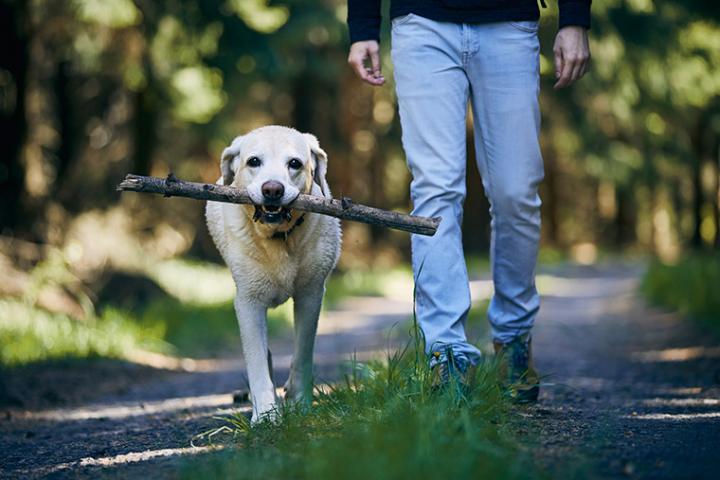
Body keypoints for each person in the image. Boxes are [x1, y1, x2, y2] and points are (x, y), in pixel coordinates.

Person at [347, 0, 591, 402]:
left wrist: (575, 18)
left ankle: (513, 338)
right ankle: (446, 354)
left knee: (517, 192)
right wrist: (362, 26)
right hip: (421, 23)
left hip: (509, 23)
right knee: (435, 191)